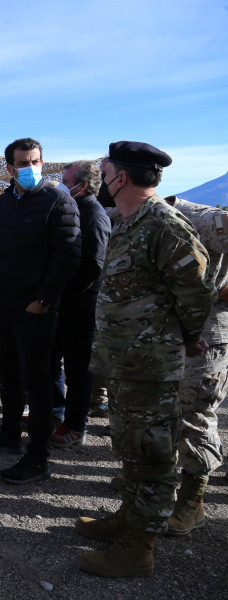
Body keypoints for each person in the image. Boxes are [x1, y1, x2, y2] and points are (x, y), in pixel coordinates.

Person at [74, 142, 214, 578]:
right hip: (124, 359)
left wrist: (189, 337)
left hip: (152, 364)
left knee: (152, 453)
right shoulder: (128, 222)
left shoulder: (164, 225)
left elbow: (195, 290)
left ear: (123, 177)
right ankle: (128, 516)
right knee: (130, 446)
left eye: (105, 171)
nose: (102, 179)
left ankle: (140, 547)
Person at [0, 138, 81, 484]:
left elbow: (68, 254)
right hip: (3, 305)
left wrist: (44, 300)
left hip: (35, 308)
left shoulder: (57, 200)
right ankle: (8, 435)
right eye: (23, 163)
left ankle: (37, 456)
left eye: (36, 161)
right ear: (9, 168)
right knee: (8, 374)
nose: (32, 168)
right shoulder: (4, 204)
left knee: (38, 381)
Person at [161, 195, 228, 535]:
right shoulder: (149, 213)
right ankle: (165, 481)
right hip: (173, 328)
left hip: (207, 332)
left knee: (196, 414)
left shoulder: (203, 218)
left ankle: (192, 501)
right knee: (169, 409)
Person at [48, 161, 110, 447]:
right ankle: (55, 411)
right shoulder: (73, 209)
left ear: (81, 186)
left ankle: (75, 426)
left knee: (78, 369)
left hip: (79, 307)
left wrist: (64, 295)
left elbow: (92, 267)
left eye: (65, 180)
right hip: (62, 304)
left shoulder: (94, 216)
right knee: (51, 360)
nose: (61, 184)